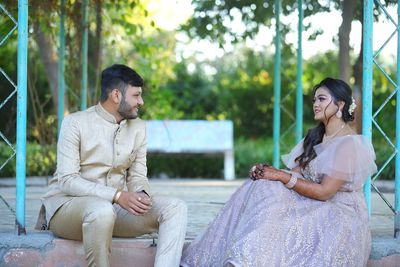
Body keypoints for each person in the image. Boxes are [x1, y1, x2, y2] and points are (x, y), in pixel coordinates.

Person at [181, 77, 377, 267]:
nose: (315, 104)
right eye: (314, 99)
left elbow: (325, 192)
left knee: (275, 192)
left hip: (338, 210)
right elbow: (295, 174)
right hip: (312, 202)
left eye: (322, 99)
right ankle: (240, 257)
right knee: (263, 186)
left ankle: (245, 259)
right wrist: (267, 173)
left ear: (340, 104)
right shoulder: (315, 136)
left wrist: (280, 176)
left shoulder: (349, 144)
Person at [36, 64, 187, 267]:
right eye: (136, 95)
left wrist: (140, 194)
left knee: (175, 208)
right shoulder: (74, 123)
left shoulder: (139, 127)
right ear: (116, 95)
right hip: (68, 209)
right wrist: (117, 196)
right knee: (101, 211)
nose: (141, 102)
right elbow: (67, 180)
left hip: (114, 210)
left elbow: (138, 175)